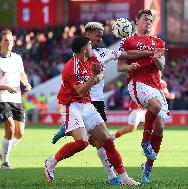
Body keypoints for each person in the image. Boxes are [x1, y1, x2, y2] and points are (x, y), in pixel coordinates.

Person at [51, 21, 161, 184]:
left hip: (96, 102)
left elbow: (126, 55)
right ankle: (112, 176)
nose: (100, 37)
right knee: (96, 142)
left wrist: (147, 53)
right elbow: (76, 82)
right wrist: (96, 75)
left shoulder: (103, 52)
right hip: (81, 101)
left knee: (101, 143)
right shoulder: (79, 58)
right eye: (97, 34)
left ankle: (114, 176)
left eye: (102, 34)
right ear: (88, 35)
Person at [44, 35, 140, 186]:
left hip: (87, 105)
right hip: (72, 106)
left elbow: (100, 73)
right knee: (82, 143)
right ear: (83, 49)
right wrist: (93, 77)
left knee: (108, 142)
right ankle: (52, 161)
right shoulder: (71, 67)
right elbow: (81, 91)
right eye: (89, 45)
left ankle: (124, 178)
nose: (92, 48)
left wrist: (97, 76)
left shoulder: (92, 59)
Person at [118, 9, 168, 183]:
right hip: (137, 82)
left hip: (156, 85)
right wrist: (130, 68)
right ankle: (145, 142)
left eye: (150, 19)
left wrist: (156, 58)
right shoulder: (129, 41)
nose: (148, 21)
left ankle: (147, 169)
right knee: (156, 106)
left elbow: (161, 66)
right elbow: (120, 66)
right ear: (136, 21)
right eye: (145, 19)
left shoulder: (159, 42)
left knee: (160, 127)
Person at [0, 29, 32, 169]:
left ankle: (1, 152)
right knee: (10, 129)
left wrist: (26, 82)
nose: (9, 42)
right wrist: (6, 87)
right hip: (2, 99)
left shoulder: (17, 58)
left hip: (17, 100)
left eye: (11, 40)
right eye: (6, 40)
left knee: (20, 133)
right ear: (0, 42)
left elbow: (21, 73)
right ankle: (4, 163)